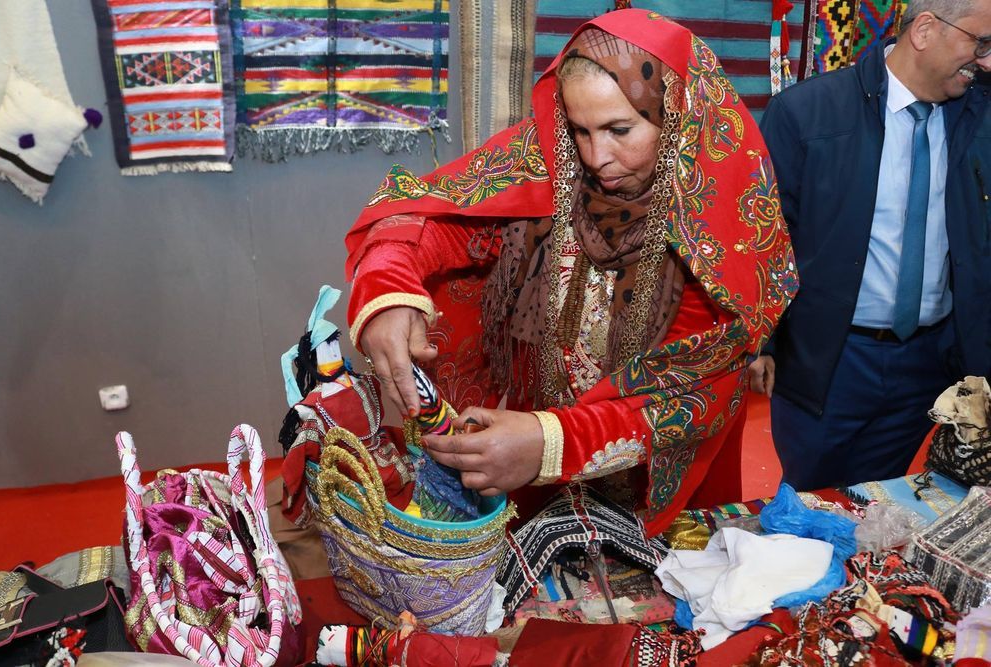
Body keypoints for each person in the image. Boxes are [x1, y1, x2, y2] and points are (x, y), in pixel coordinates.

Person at [344, 9, 797, 536]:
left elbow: (685, 395)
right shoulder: (553, 166)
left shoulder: (716, 224)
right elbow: (427, 221)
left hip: (656, 479)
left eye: (619, 129)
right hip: (531, 459)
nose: (597, 156)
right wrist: (389, 291)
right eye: (580, 129)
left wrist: (551, 444)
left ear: (678, 116)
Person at [749, 0, 991, 491]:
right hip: (830, 359)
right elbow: (763, 235)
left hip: (931, 362)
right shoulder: (806, 113)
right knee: (812, 502)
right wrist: (761, 341)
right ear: (925, 30)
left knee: (889, 502)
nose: (986, 61)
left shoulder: (978, 115)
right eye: (980, 42)